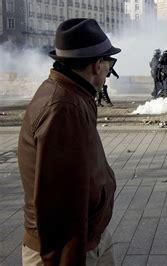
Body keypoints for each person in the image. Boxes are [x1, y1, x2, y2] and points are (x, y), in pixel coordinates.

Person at [17, 18, 119, 265]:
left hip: (89, 237)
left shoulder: (74, 94)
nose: (109, 71)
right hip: (71, 248)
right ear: (97, 65)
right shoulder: (63, 107)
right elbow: (59, 204)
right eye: (109, 62)